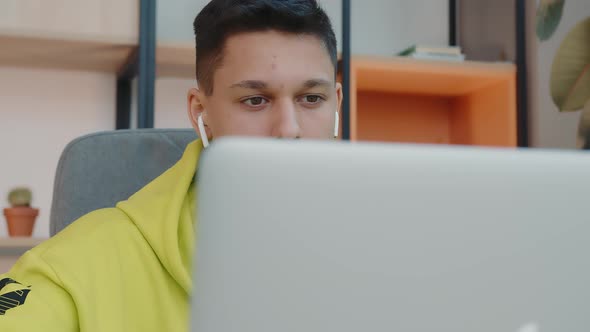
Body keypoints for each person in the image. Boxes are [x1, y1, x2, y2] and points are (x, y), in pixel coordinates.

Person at [0, 0, 342, 330]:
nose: (288, 129)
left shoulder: (388, 244)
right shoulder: (76, 267)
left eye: (312, 98)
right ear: (200, 113)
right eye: (255, 100)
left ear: (337, 103)